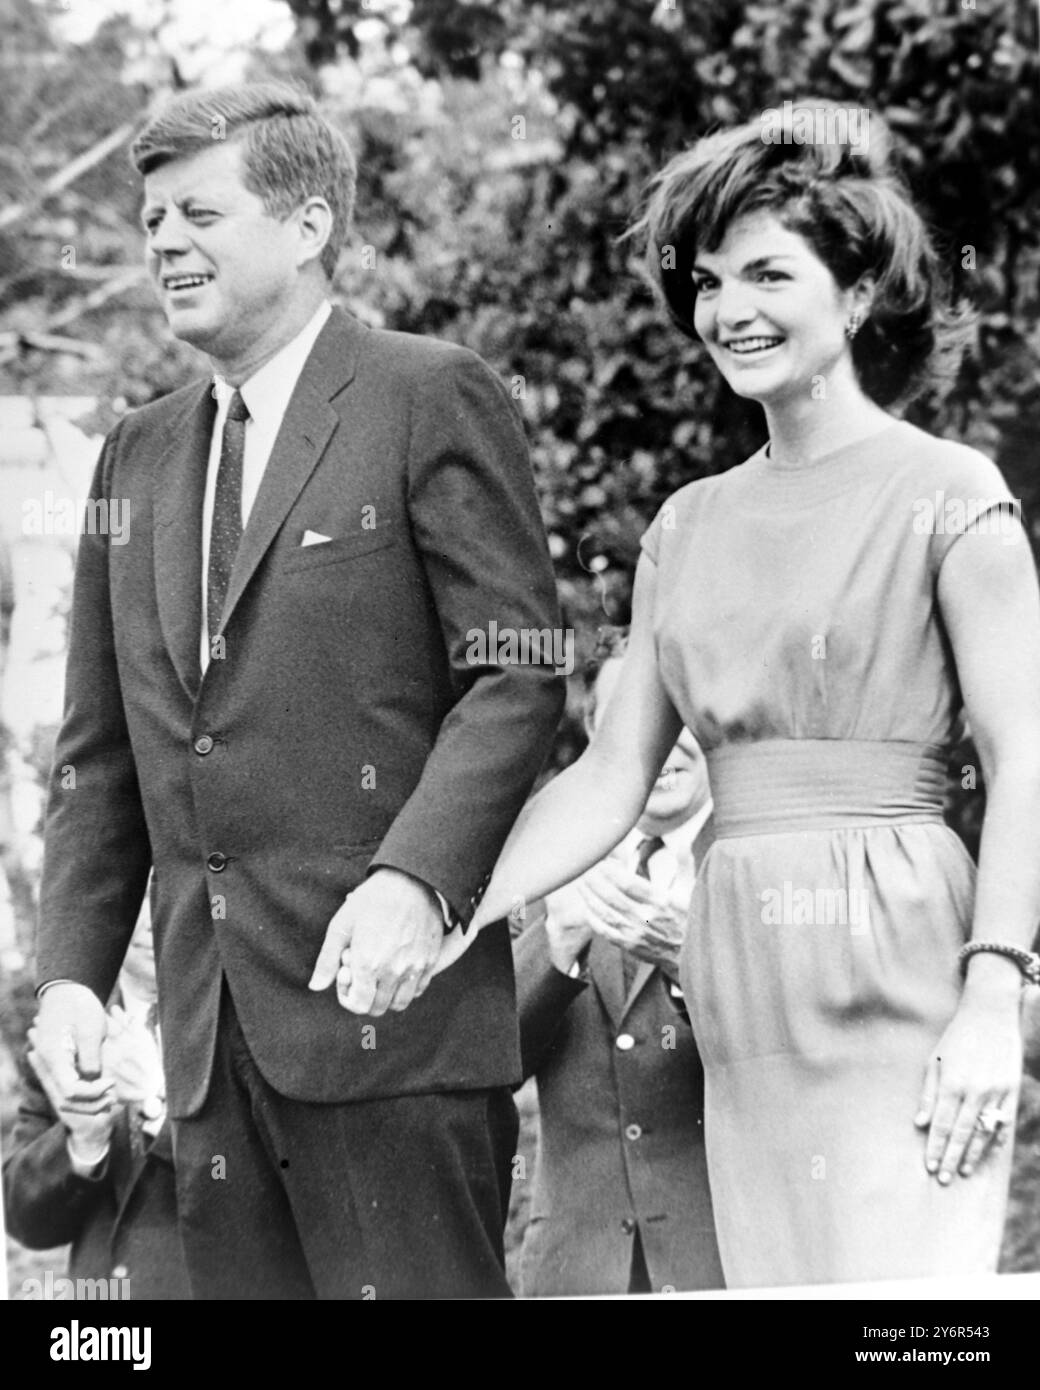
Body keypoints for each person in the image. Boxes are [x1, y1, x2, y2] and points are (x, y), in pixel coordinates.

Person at [430, 102, 1040, 1287]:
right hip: (737, 966)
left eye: (769, 272)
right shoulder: (685, 526)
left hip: (897, 952)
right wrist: (443, 905)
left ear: (857, 295)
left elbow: (1023, 755)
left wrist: (990, 995)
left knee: (900, 1320)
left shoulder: (950, 492)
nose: (728, 308)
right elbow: (609, 775)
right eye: (709, 281)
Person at [29, 82, 564, 1300]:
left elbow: (517, 675)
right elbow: (101, 757)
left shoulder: (429, 392)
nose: (162, 241)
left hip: (396, 1036)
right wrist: (70, 976)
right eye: (152, 217)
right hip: (209, 1061)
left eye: (198, 212)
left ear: (310, 223)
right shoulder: (137, 450)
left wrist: (416, 876)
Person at [514, 626, 723, 1296]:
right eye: (633, 720)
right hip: (577, 1271)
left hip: (722, 1260)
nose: (660, 742)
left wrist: (691, 956)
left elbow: (795, 1051)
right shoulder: (541, 861)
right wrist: (557, 950)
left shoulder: (755, 866)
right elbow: (491, 1060)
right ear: (598, 735)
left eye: (677, 715)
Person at [4, 910, 190, 1300]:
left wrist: (154, 1101)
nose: (151, 918)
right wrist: (82, 1144)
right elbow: (26, 1222)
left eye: (162, 887)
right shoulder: (63, 1037)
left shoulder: (241, 1026)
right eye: (134, 897)